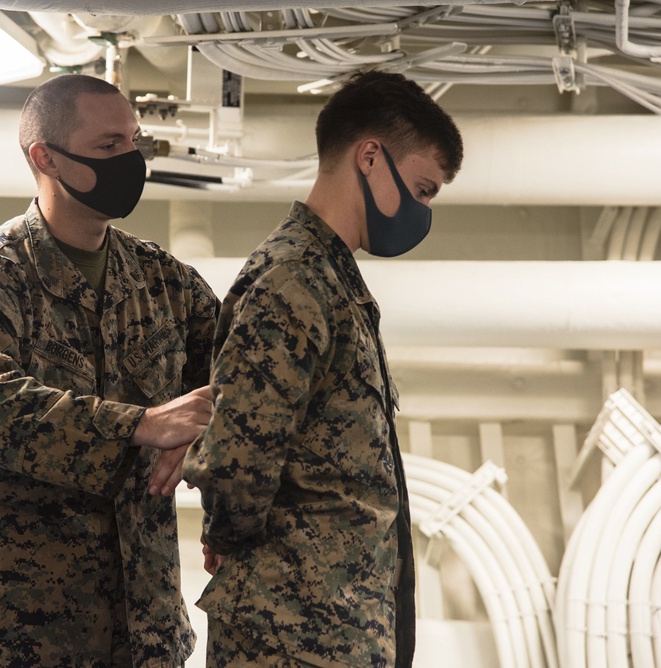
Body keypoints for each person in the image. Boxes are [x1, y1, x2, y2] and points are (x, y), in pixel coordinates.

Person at [0, 74, 218, 668]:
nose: (130, 160)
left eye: (134, 142)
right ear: (45, 157)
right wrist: (140, 425)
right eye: (109, 147)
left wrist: (208, 451)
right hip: (13, 636)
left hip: (143, 634)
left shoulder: (165, 282)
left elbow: (239, 385)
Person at [184, 69, 463, 667]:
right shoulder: (292, 281)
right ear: (370, 157)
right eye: (422, 188)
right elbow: (238, 457)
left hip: (334, 629)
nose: (421, 210)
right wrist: (227, 532)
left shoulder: (332, 282)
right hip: (291, 635)